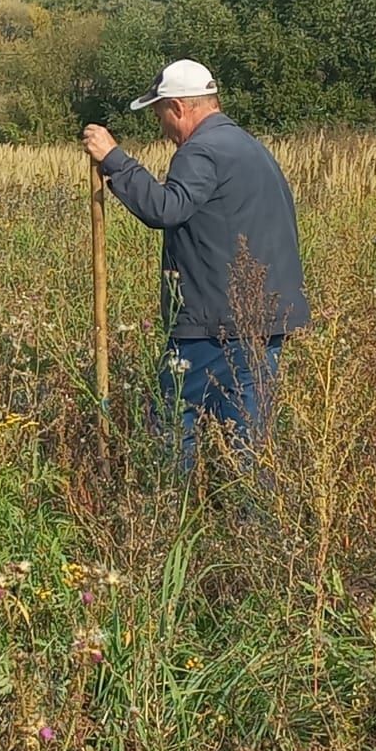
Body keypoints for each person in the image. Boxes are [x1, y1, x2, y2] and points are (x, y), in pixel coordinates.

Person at [81, 59, 308, 464]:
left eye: (160, 114)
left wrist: (115, 159)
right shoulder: (249, 148)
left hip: (213, 327)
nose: (162, 127)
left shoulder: (201, 151)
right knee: (249, 445)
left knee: (171, 427)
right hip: (260, 319)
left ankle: (167, 516)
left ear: (179, 107)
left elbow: (166, 208)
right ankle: (254, 526)